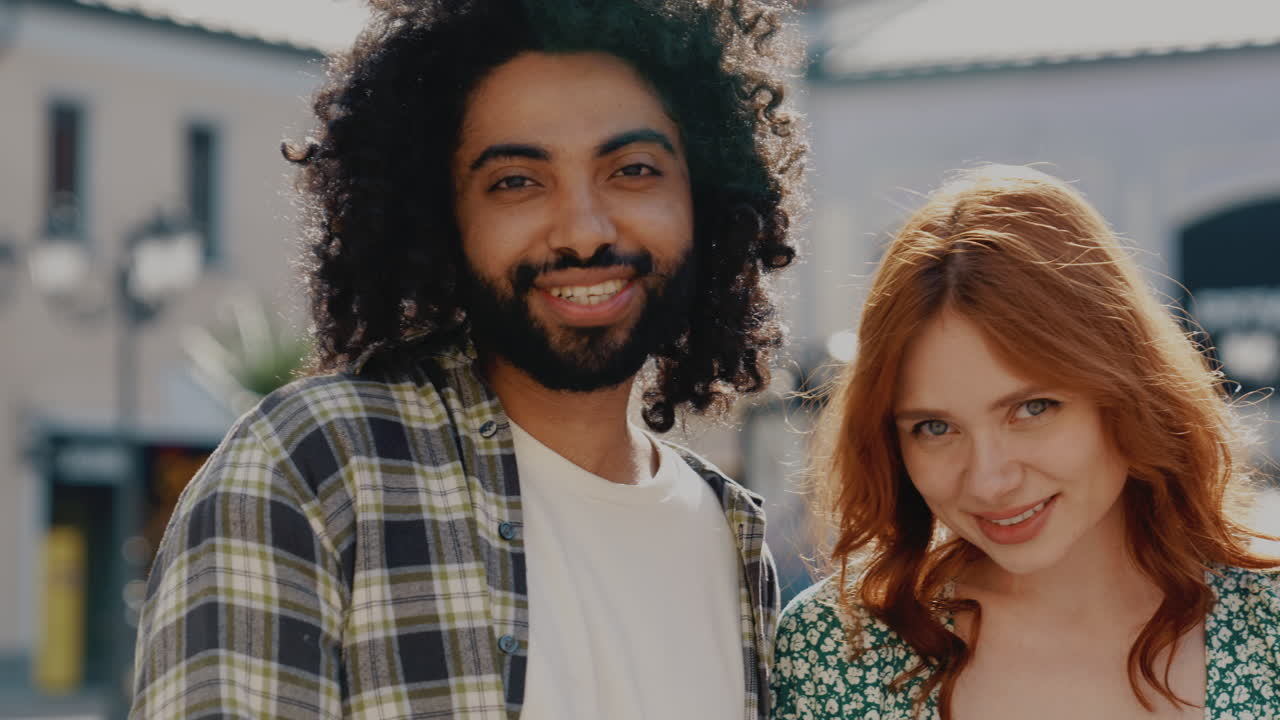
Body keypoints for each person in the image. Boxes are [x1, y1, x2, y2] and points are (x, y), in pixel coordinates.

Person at [130, 1, 806, 718]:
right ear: (441, 219)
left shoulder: (729, 539)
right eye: (516, 181)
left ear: (704, 202)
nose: (582, 230)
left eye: (633, 169)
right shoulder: (315, 472)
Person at [771, 166, 1280, 720]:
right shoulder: (839, 655)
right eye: (934, 428)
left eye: (1032, 409)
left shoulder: (1268, 623)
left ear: (1126, 389)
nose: (989, 480)